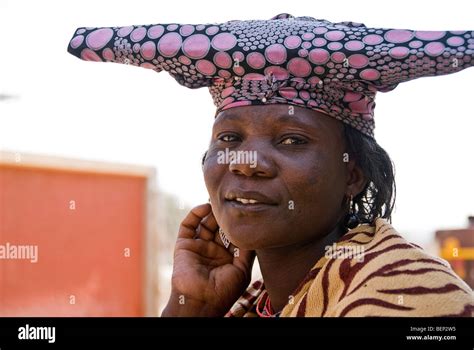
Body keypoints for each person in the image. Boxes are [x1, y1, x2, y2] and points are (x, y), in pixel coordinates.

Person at [68, 14, 474, 317]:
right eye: (229, 138)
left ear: (353, 174)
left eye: (292, 140)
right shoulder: (257, 301)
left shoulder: (404, 294)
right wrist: (190, 306)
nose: (248, 163)